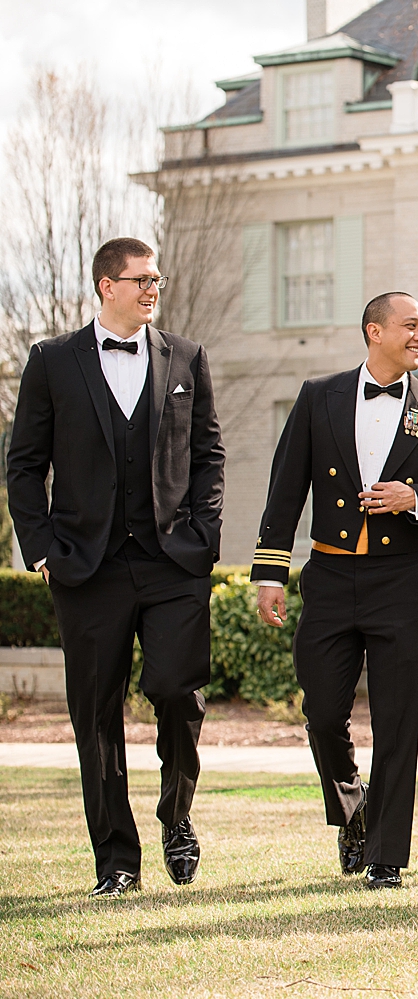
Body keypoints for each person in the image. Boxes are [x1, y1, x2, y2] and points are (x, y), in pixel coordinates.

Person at [7, 237, 225, 898]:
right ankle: (116, 860)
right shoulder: (51, 361)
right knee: (95, 715)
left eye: (156, 278)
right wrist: (41, 548)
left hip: (172, 563)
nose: (152, 288)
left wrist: (205, 532)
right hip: (87, 568)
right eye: (140, 279)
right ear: (107, 285)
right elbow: (23, 464)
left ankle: (176, 817)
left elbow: (209, 454)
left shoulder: (187, 356)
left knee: (178, 695)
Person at [251, 292, 418, 890]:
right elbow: (285, 487)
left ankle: (386, 855)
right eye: (411, 326)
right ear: (373, 331)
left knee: (398, 720)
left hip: (399, 583)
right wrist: (270, 572)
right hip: (328, 579)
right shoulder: (317, 395)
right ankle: (352, 809)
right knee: (323, 711)